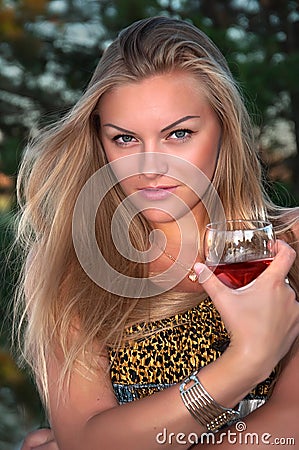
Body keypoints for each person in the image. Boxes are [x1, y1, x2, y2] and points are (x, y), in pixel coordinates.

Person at [16, 16, 299, 450]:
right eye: (125, 139)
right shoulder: (68, 263)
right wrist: (247, 361)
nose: (150, 167)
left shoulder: (291, 246)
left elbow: (289, 428)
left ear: (224, 129)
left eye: (179, 134)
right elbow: (87, 441)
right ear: (99, 141)